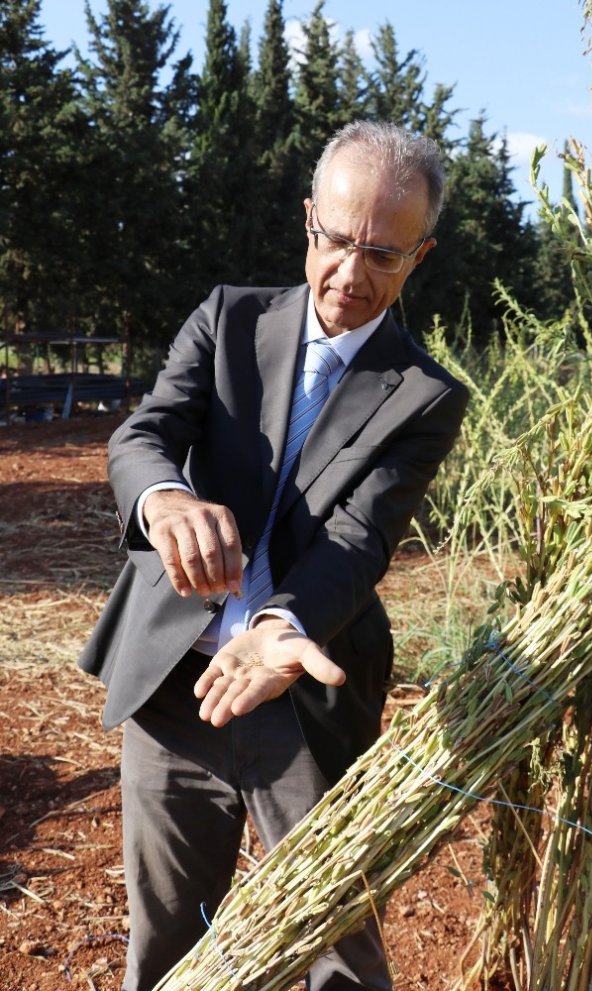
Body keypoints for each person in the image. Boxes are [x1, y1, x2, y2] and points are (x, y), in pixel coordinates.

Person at [79, 120, 469, 991]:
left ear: (422, 256)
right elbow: (144, 434)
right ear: (307, 221)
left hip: (303, 701)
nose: (349, 275)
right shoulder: (227, 317)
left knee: (338, 942)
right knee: (171, 943)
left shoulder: (425, 396)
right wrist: (165, 498)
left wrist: (282, 622)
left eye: (383, 255)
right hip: (173, 691)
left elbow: (358, 537)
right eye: (335, 241)